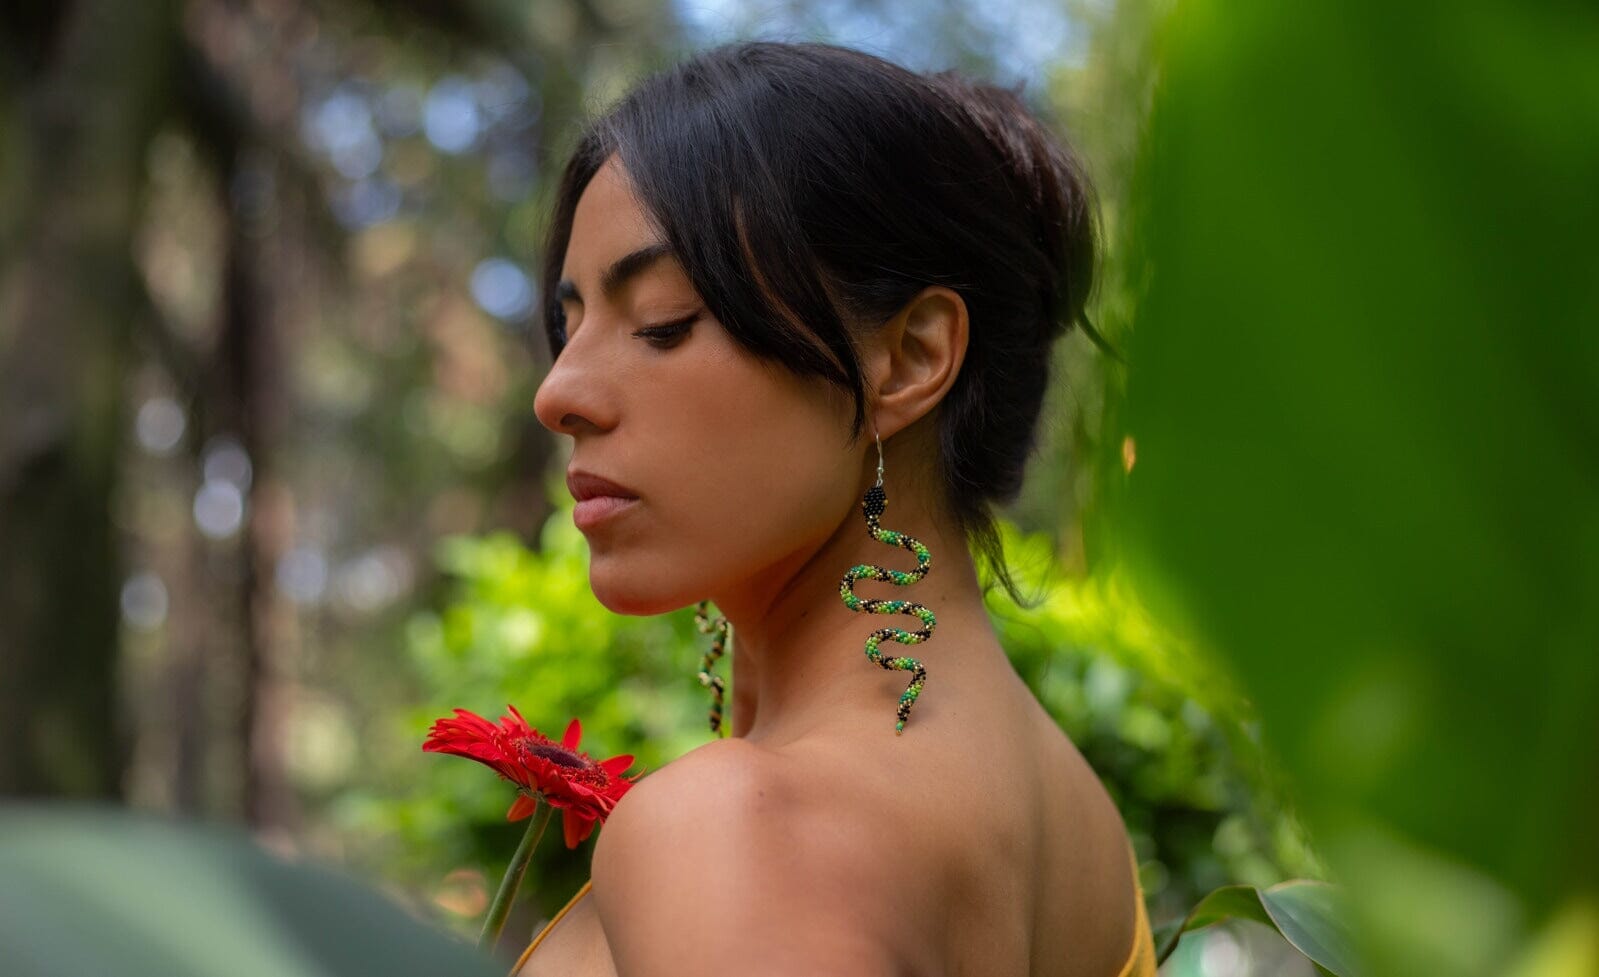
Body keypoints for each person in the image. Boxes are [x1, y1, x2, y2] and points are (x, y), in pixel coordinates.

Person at [518, 39, 1156, 977]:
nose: (558, 394)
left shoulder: (734, 825)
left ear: (909, 357)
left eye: (661, 321)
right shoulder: (1080, 829)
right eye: (567, 327)